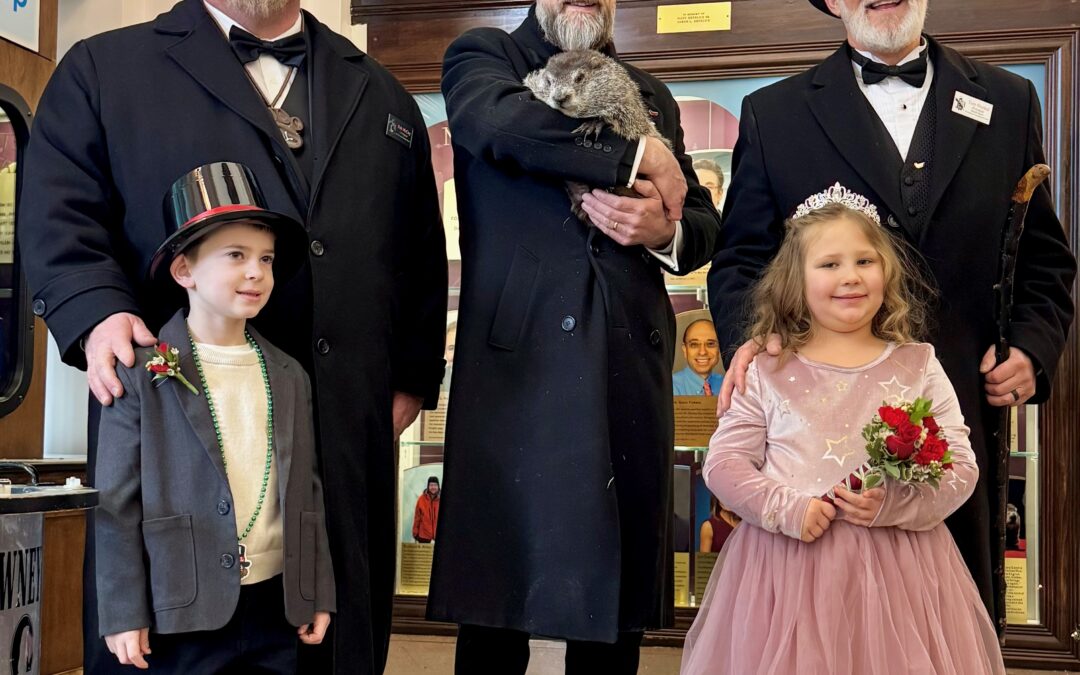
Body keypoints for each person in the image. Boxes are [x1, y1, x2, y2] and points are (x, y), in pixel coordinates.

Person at [18, 1, 448, 672]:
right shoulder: (101, 72)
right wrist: (97, 310)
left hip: (341, 435)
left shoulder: (384, 93)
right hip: (172, 429)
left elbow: (421, 251)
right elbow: (58, 217)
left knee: (334, 640)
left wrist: (412, 376)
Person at [707, 0, 1076, 629]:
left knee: (945, 627)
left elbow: (1042, 257)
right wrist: (754, 339)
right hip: (816, 409)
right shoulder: (775, 112)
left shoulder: (1010, 100)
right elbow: (742, 257)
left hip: (956, 397)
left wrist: (1031, 348)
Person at [428, 0, 722, 671]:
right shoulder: (484, 58)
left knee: (611, 614)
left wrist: (665, 231)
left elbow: (702, 221)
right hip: (516, 369)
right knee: (498, 606)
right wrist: (635, 154)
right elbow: (497, 123)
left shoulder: (652, 92)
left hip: (625, 359)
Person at [684, 194, 1005, 674]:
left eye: (864, 261)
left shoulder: (917, 364)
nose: (850, 276)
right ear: (795, 280)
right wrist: (786, 507)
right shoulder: (767, 369)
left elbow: (961, 467)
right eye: (829, 263)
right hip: (784, 573)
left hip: (902, 579)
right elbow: (724, 464)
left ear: (887, 271)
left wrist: (895, 503)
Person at [95, 162, 335, 672]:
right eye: (236, 255)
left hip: (276, 603)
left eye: (266, 259)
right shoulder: (142, 371)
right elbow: (116, 503)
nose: (256, 272)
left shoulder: (289, 373)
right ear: (184, 271)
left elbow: (306, 489)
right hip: (181, 606)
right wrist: (121, 611)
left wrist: (316, 590)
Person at [672, 319, 724, 396]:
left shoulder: (728, 384)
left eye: (710, 344)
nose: (702, 352)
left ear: (719, 349)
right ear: (685, 350)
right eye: (694, 345)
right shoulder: (669, 387)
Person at [412, 476, 441, 544]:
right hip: (423, 536)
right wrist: (415, 533)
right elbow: (417, 517)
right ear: (428, 486)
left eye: (435, 485)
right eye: (431, 485)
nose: (433, 487)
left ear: (438, 486)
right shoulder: (421, 499)